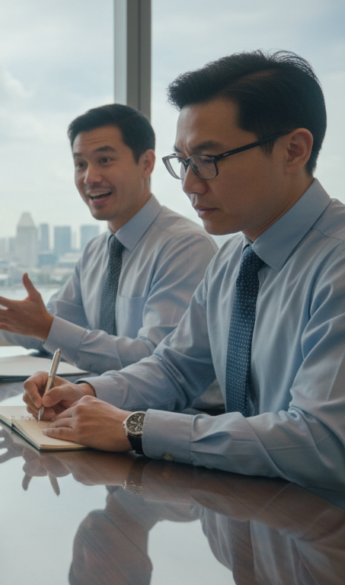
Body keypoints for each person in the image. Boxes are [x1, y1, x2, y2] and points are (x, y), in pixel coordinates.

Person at [24, 51, 344, 489]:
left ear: (293, 150)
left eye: (209, 159)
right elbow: (175, 367)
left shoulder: (336, 265)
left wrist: (135, 428)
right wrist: (89, 394)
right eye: (184, 162)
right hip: (252, 514)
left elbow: (321, 442)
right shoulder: (234, 258)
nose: (191, 185)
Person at [0, 104, 217, 378]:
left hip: (170, 420)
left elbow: (156, 362)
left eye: (105, 160)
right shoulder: (97, 251)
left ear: (147, 164)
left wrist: (47, 327)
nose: (89, 178)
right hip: (101, 410)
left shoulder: (185, 248)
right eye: (80, 164)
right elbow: (43, 330)